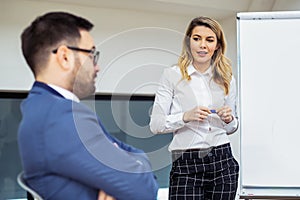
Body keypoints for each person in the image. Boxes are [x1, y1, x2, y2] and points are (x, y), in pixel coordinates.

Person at [18, 11, 158, 200]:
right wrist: (137, 161)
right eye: (92, 54)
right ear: (64, 57)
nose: (97, 66)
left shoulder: (41, 107)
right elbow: (145, 190)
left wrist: (134, 163)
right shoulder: (60, 116)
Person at [150, 16, 239, 199]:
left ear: (218, 45)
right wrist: (185, 116)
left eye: (209, 39)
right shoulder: (171, 75)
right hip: (186, 162)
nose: (202, 45)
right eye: (197, 38)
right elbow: (156, 124)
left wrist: (229, 119)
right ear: (188, 41)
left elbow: (231, 128)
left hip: (222, 160)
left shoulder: (227, 79)